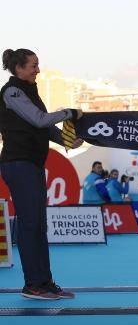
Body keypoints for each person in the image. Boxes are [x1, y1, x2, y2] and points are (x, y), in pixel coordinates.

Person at [0, 48, 82, 300]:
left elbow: (46, 130)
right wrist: (68, 113)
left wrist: (70, 140)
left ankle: (44, 282)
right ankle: (32, 285)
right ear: (19, 69)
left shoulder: (30, 91)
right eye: (33, 65)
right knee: (30, 224)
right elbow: (39, 120)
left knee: (38, 225)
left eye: (38, 64)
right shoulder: (12, 92)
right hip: (18, 164)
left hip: (31, 164)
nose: (38, 69)